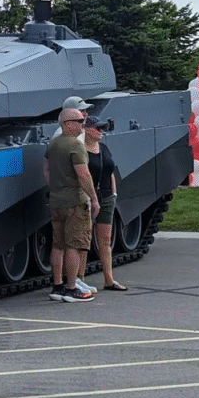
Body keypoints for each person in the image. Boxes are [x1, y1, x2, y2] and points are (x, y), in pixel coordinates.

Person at [44, 107, 99, 303]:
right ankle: (71, 289)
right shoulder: (75, 145)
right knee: (74, 246)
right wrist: (93, 198)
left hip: (57, 201)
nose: (83, 124)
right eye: (80, 121)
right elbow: (83, 175)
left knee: (58, 245)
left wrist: (55, 188)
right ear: (68, 124)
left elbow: (46, 169)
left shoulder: (53, 144)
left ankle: (57, 286)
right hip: (75, 202)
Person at [84, 115, 127, 291]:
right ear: (87, 130)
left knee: (105, 241)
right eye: (98, 128)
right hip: (88, 198)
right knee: (84, 240)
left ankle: (109, 279)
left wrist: (114, 192)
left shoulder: (103, 148)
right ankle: (79, 280)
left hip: (107, 196)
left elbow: (110, 170)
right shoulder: (81, 150)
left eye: (103, 127)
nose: (102, 131)